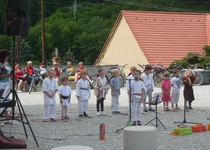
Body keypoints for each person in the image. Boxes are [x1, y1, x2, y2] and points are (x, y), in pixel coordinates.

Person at [0, 49, 12, 122]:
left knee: (6, 99)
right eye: (7, 56)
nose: (8, 57)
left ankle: (7, 114)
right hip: (1, 84)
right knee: (2, 99)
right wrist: (7, 75)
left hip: (7, 83)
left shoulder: (6, 64)